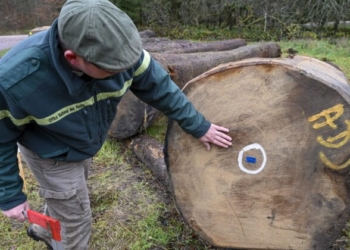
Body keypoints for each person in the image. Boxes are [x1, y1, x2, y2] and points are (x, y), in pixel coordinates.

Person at [0, 0, 232, 249]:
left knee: (66, 198)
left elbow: (161, 89)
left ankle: (46, 228)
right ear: (73, 58)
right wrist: (10, 194)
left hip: (82, 143)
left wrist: (199, 126)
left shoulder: (122, 52)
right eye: (114, 70)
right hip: (50, 152)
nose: (126, 71)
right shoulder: (16, 81)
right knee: (75, 219)